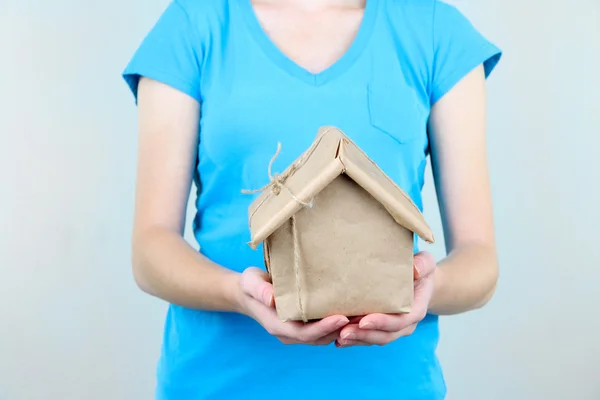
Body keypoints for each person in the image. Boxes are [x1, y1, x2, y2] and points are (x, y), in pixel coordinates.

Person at [122, 0, 501, 398]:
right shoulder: (193, 25)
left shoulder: (435, 30)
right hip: (219, 383)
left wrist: (425, 288)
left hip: (389, 386)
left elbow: (480, 260)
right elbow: (151, 247)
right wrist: (236, 293)